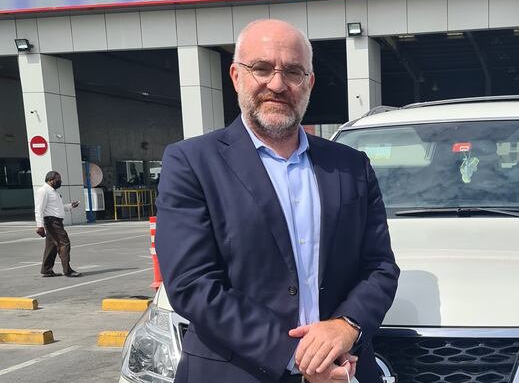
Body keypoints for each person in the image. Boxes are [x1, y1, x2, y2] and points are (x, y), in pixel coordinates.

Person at [156, 19, 400, 383]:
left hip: (345, 369)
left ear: (309, 83)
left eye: (293, 71)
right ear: (236, 76)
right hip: (234, 372)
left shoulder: (350, 166)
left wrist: (347, 325)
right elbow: (192, 283)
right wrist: (299, 356)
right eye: (262, 68)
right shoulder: (191, 163)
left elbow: (380, 266)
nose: (277, 84)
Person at [34, 170, 82, 278]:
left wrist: (70, 206)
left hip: (55, 221)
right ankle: (67, 270)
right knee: (64, 243)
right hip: (52, 222)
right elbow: (39, 209)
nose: (60, 182)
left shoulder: (53, 192)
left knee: (51, 246)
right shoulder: (43, 191)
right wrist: (40, 226)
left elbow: (57, 208)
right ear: (50, 180)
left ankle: (46, 270)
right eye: (58, 180)